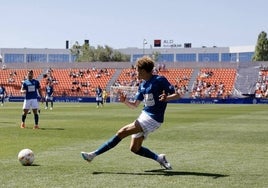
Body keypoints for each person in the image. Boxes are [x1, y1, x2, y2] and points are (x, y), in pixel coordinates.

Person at [81, 56, 181, 169]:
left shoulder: (159, 80)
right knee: (135, 149)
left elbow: (178, 94)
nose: (135, 72)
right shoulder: (142, 85)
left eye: (137, 70)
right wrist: (125, 101)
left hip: (154, 118)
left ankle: (93, 155)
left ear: (143, 70)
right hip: (144, 115)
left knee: (122, 132)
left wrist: (166, 98)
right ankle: (159, 158)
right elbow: (135, 105)